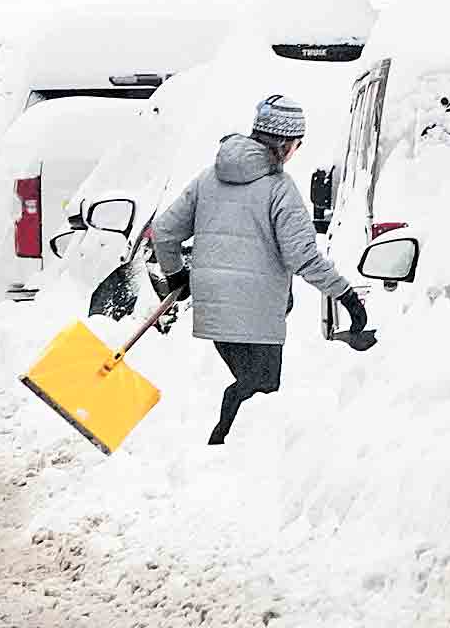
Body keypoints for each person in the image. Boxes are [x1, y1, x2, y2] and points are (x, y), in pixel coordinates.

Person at [152, 95, 369, 445]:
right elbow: (303, 258)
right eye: (297, 144)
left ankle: (225, 451)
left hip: (214, 311)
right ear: (285, 144)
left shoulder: (208, 178)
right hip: (257, 315)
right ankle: (222, 448)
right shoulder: (280, 189)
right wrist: (347, 295)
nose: (296, 151)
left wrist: (176, 274)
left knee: (254, 387)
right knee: (262, 391)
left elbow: (164, 232)